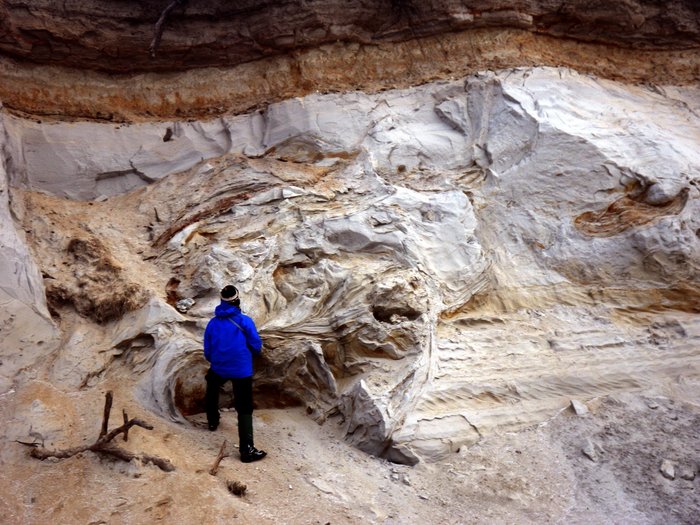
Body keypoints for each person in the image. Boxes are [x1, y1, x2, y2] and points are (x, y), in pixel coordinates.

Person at [203, 284, 267, 463]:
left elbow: (207, 350)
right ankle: (247, 449)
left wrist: (216, 360)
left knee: (212, 384)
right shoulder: (244, 321)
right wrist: (251, 354)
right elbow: (256, 345)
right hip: (241, 368)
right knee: (244, 405)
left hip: (219, 367)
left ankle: (212, 421)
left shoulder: (213, 323)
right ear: (237, 300)